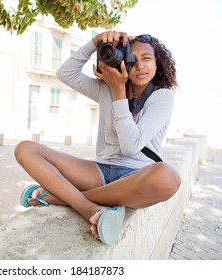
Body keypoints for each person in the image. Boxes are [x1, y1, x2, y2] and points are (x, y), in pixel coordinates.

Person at [14, 31, 181, 245]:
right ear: (123, 61)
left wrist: (119, 90)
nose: (140, 66)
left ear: (157, 63)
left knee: (169, 177)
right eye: (133, 59)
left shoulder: (162, 96)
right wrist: (95, 42)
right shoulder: (106, 89)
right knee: (25, 149)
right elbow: (65, 73)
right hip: (101, 170)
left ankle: (62, 197)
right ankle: (87, 208)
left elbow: (131, 146)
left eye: (147, 59)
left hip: (138, 176)